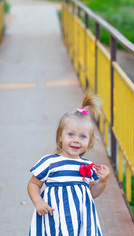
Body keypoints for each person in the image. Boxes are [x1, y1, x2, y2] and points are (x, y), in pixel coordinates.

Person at [27, 93, 110, 236]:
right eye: (70, 134)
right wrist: (38, 201)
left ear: (89, 142)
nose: (76, 140)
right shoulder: (50, 162)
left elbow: (91, 193)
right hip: (55, 218)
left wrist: (103, 181)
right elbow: (33, 184)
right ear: (60, 136)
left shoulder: (88, 166)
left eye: (82, 136)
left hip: (81, 221)